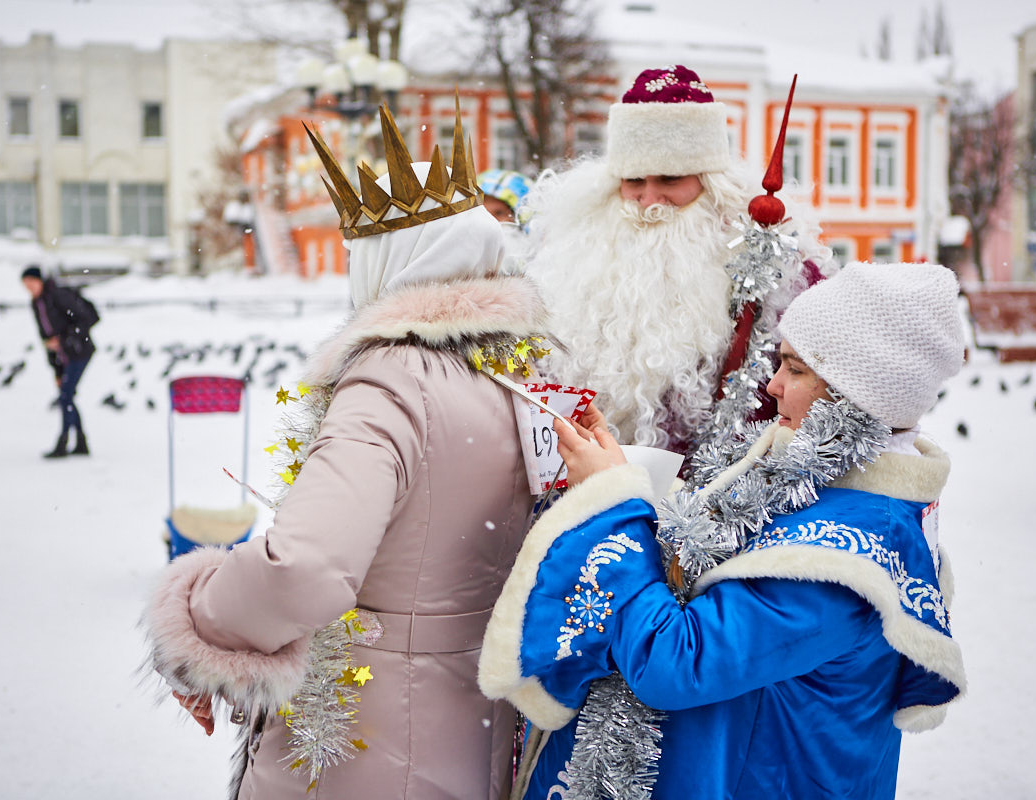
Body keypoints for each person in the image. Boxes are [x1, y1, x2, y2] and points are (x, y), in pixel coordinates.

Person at [142, 103, 549, 800]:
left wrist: (195, 616)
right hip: (473, 722)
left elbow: (303, 568)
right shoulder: (518, 371)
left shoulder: (390, 382)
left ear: (387, 261)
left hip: (371, 735)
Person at [479, 262, 967, 799]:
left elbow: (675, 663)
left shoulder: (843, 559)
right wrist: (626, 481)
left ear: (858, 393)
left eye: (795, 369)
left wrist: (612, 500)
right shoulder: (822, 485)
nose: (773, 385)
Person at [521, 64, 833, 455]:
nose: (650, 201)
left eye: (669, 179)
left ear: (710, 183)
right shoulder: (563, 259)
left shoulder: (781, 271)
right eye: (634, 181)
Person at [20, 265, 96, 458]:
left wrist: (63, 339)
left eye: (31, 282)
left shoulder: (58, 295)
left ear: (39, 280)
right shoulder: (37, 303)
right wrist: (57, 371)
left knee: (65, 397)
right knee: (66, 396)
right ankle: (80, 442)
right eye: (25, 284)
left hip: (79, 352)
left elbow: (87, 319)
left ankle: (64, 442)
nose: (28, 287)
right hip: (63, 357)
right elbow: (46, 339)